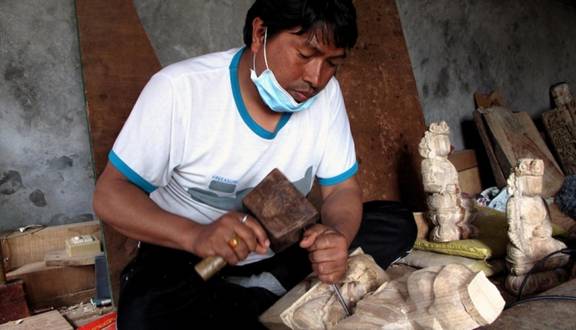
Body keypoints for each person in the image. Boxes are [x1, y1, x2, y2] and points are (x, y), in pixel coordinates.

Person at [93, 0, 416, 328]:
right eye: (304, 55)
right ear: (260, 33)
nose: (316, 78)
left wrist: (337, 238)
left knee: (396, 223)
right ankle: (264, 299)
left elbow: (341, 190)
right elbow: (109, 194)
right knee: (146, 313)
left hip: (285, 244)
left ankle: (260, 291)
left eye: (332, 63)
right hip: (191, 254)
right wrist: (196, 235)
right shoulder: (181, 89)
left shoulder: (326, 95)